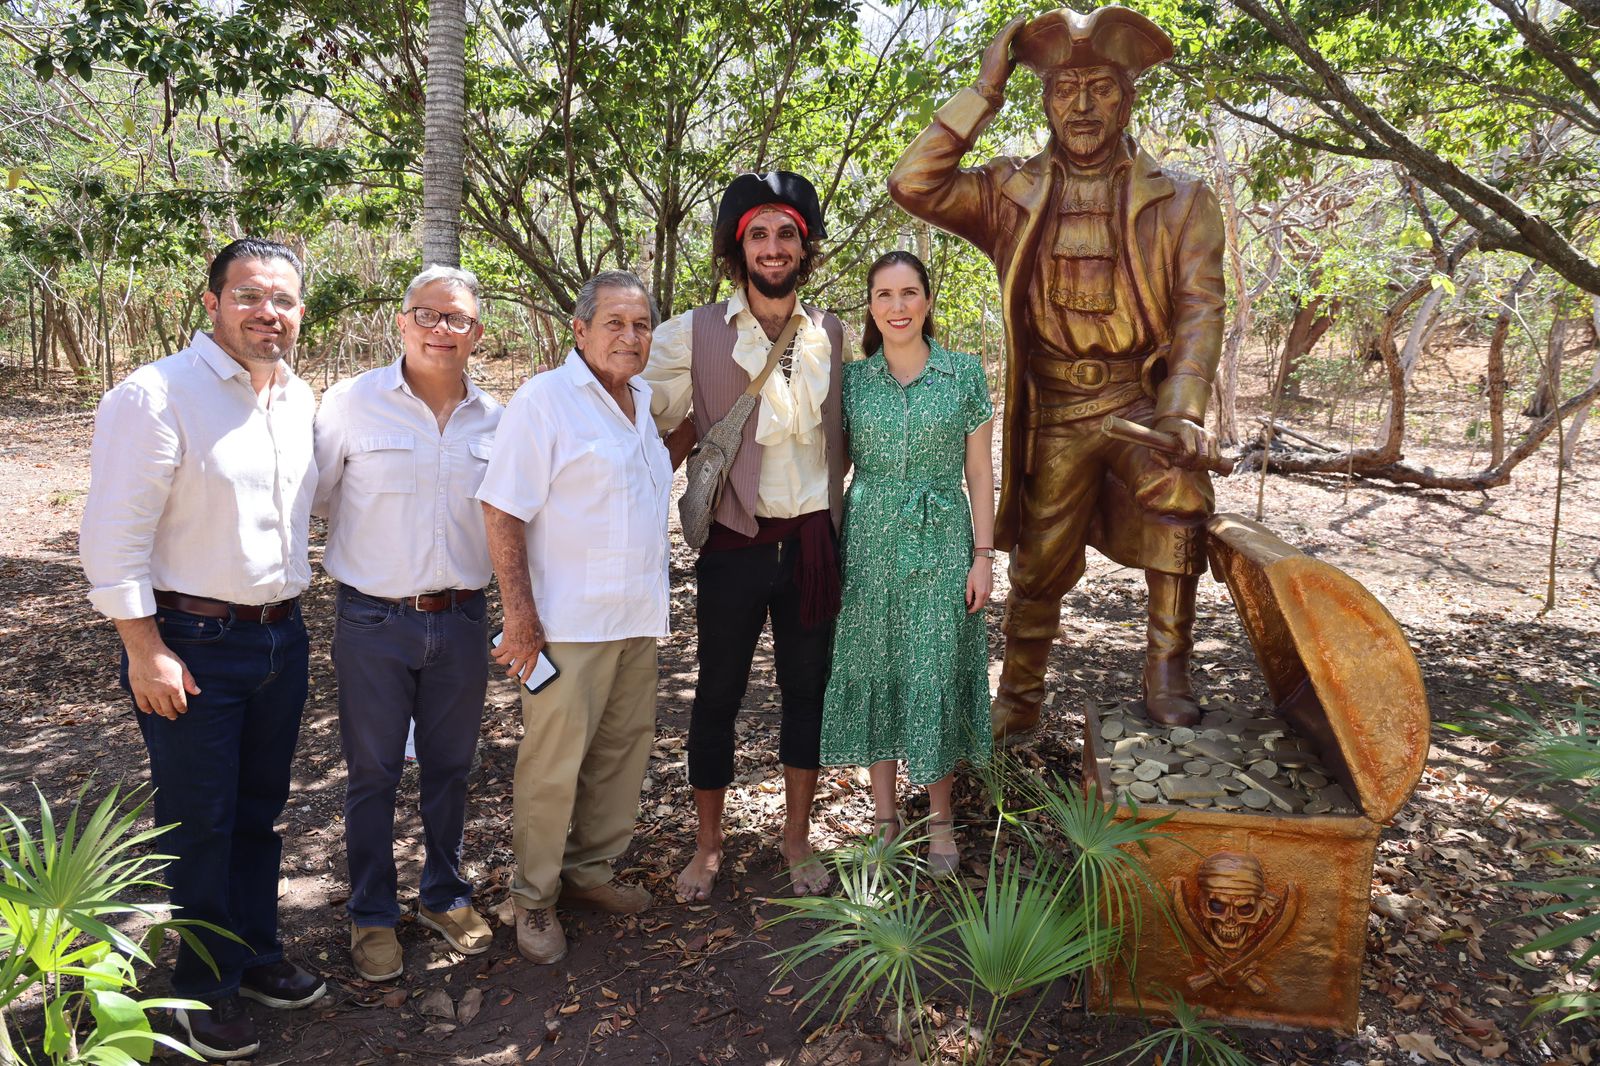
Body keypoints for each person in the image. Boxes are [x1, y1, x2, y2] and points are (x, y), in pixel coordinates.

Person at [888, 6, 1226, 735]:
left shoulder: (1184, 199)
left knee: (1179, 490)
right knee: (1039, 561)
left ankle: (1168, 670)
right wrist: (984, 91)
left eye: (1100, 87)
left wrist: (1185, 409)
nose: (1080, 105)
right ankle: (1018, 696)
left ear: (1129, 97)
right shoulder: (1009, 191)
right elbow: (913, 184)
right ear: (1042, 98)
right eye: (1064, 87)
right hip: (1055, 412)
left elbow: (1202, 308)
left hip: (1139, 400)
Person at [79, 237, 326, 1061]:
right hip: (190, 643)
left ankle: (255, 954)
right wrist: (143, 648)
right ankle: (203, 989)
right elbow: (113, 538)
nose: (270, 313)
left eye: (284, 300)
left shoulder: (296, 398)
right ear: (212, 302)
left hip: (278, 637)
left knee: (259, 813)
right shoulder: (157, 395)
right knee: (201, 822)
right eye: (250, 296)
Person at [643, 171, 847, 902]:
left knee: (806, 695)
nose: (773, 247)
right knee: (718, 694)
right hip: (735, 543)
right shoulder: (692, 334)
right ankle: (708, 846)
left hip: (814, 548)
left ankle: (796, 839)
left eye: (786, 233)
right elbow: (641, 413)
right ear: (739, 247)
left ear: (803, 246)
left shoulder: (834, 334)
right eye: (758, 234)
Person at [313, 265, 502, 982]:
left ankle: (444, 896)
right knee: (373, 772)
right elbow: (319, 498)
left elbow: (507, 522)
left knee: (452, 769)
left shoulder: (497, 419)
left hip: (459, 621)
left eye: (456, 319)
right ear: (402, 321)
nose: (441, 330)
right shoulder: (352, 404)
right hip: (372, 620)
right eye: (427, 314)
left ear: (477, 333)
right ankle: (371, 914)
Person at [478, 270, 672, 965]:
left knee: (621, 755)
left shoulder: (641, 399)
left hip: (634, 618)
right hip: (565, 625)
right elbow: (501, 507)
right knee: (553, 767)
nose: (629, 336)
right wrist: (520, 620)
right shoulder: (546, 400)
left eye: (641, 325)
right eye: (614, 323)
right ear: (580, 330)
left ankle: (590, 873)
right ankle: (533, 900)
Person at [820, 251, 996, 876]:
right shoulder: (853, 382)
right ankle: (885, 818)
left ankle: (941, 819)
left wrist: (983, 556)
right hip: (867, 543)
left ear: (927, 301)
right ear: (870, 306)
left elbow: (979, 471)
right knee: (877, 668)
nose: (897, 307)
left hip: (944, 539)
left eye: (909, 293)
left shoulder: (963, 374)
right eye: (884, 295)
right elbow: (831, 466)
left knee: (933, 669)